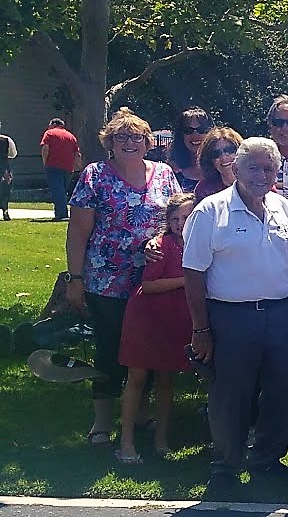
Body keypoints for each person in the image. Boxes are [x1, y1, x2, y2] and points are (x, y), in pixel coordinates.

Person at [181, 138, 288, 493]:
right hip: (230, 317)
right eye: (254, 167)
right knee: (230, 394)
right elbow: (193, 272)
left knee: (282, 390)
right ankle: (225, 466)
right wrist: (200, 328)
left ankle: (267, 460)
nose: (262, 175)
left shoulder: (283, 206)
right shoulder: (211, 211)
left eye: (269, 168)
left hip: (280, 314)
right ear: (235, 170)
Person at [66, 108, 182, 447]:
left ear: (148, 143)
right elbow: (77, 234)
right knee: (111, 349)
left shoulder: (163, 174)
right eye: (122, 137)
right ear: (110, 143)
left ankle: (141, 413)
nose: (130, 143)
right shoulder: (95, 176)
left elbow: (176, 221)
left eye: (137, 137)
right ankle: (102, 421)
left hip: (152, 279)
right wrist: (75, 278)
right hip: (107, 281)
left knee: (146, 348)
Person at [115, 192, 196, 465]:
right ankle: (125, 442)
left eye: (186, 217)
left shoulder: (200, 244)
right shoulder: (161, 245)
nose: (180, 223)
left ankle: (161, 439)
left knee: (166, 381)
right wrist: (187, 280)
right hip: (147, 318)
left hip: (175, 320)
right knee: (136, 379)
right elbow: (148, 285)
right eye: (175, 219)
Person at [41, 116, 82, 220]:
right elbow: (77, 153)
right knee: (63, 190)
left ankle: (62, 214)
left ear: (53, 124)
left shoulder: (49, 133)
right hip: (68, 166)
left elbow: (45, 148)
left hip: (53, 164)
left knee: (56, 189)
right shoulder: (71, 136)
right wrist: (79, 167)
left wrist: (45, 162)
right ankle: (60, 212)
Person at [192, 126, 244, 201]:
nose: (223, 157)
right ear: (210, 160)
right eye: (216, 153)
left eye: (229, 150)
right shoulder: (204, 189)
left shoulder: (254, 182)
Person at [166, 108, 209, 194]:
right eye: (188, 130)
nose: (195, 135)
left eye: (201, 130)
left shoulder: (220, 169)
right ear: (181, 135)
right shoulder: (170, 172)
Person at [0, 120, 15, 220]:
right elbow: (13, 154)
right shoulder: (6, 140)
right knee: (5, 190)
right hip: (3, 167)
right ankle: (5, 211)